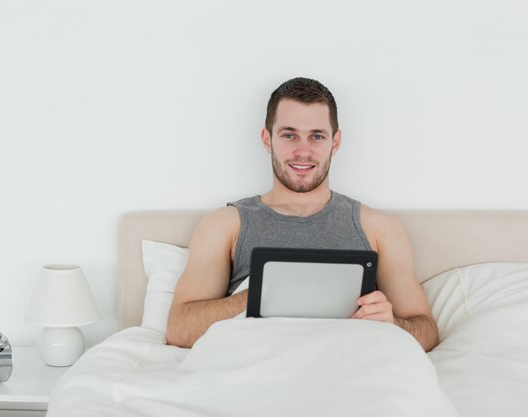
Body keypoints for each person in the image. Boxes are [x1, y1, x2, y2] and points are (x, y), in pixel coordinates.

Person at [166, 77, 439, 352]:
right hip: (257, 366)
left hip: (347, 367)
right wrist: (265, 296)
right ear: (266, 139)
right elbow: (179, 329)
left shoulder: (379, 228)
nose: (303, 151)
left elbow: (426, 331)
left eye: (317, 136)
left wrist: (391, 323)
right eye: (289, 135)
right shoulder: (225, 225)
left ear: (335, 142)